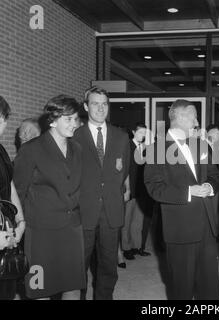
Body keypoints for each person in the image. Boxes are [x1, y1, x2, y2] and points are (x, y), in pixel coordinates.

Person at [144, 99, 219, 300]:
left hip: (207, 228)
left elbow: (216, 176)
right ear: (179, 117)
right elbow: (155, 188)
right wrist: (190, 191)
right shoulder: (156, 149)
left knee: (210, 289)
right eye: (194, 116)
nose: (197, 122)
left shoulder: (201, 145)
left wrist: (209, 186)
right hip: (180, 231)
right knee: (182, 289)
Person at [13, 95, 84, 300]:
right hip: (41, 233)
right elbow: (18, 191)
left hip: (72, 229)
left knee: (73, 286)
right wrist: (19, 225)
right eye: (68, 119)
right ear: (53, 120)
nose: (74, 124)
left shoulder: (77, 149)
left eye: (76, 119)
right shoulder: (31, 150)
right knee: (40, 288)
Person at [74, 86, 130, 300]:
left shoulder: (121, 137)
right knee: (79, 268)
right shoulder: (74, 137)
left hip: (111, 212)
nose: (100, 108)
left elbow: (122, 171)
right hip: (82, 212)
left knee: (108, 268)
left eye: (104, 104)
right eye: (95, 103)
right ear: (86, 107)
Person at [0, 96, 25, 300]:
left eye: (3, 118)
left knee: (7, 288)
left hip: (5, 228)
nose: (2, 125)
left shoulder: (1, 151)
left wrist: (20, 220)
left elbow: (9, 185)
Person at [120, 122, 153, 263]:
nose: (143, 135)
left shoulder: (145, 148)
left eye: (145, 133)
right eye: (140, 133)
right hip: (130, 190)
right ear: (134, 132)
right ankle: (126, 249)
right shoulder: (127, 146)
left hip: (141, 191)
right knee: (126, 221)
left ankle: (136, 247)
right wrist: (126, 189)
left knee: (137, 222)